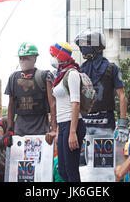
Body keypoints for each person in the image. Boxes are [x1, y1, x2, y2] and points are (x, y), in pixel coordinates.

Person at [74, 29, 128, 142]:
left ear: (97, 46)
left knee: (104, 158)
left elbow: (122, 96)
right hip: (84, 123)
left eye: (87, 44)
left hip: (105, 123)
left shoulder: (112, 68)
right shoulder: (79, 70)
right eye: (82, 44)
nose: (84, 47)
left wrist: (122, 124)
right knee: (83, 159)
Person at [3, 42, 56, 147]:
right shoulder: (13, 78)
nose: (23, 61)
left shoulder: (44, 76)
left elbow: (53, 103)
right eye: (21, 58)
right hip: (20, 131)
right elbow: (11, 105)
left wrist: (54, 129)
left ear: (34, 58)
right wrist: (9, 129)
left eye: (26, 58)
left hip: (41, 131)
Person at [46, 42, 86, 182]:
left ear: (60, 55)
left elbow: (76, 103)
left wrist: (73, 132)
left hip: (72, 124)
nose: (52, 58)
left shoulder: (72, 73)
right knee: (63, 170)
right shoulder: (60, 75)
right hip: (63, 125)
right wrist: (56, 129)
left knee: (71, 170)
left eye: (53, 55)